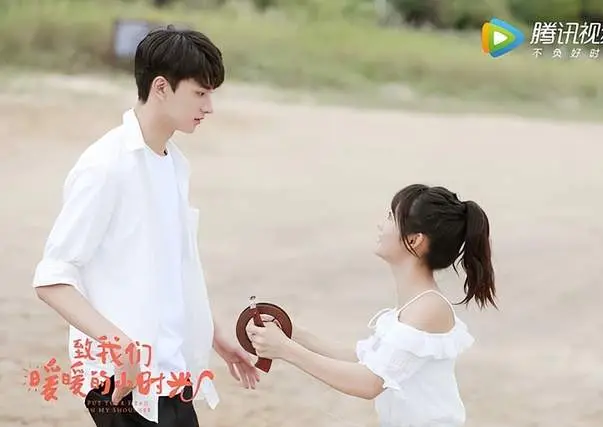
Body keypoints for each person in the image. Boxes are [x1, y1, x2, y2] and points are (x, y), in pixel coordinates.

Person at [32, 25, 260, 427]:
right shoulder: (106, 166)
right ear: (161, 87)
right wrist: (120, 345)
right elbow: (52, 279)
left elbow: (170, 270)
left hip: (170, 374)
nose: (209, 107)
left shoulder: (173, 164)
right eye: (200, 93)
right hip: (121, 384)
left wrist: (212, 331)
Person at [247, 184, 496, 427]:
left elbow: (369, 383)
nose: (381, 225)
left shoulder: (429, 309)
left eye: (390, 217)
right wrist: (292, 332)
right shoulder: (415, 305)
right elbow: (362, 360)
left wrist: (285, 349)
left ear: (414, 240)